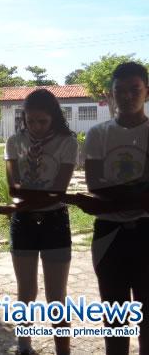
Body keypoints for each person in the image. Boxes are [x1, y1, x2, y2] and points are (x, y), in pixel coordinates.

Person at [81, 62, 149, 355]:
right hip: (109, 236)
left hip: (147, 233)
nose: (127, 96)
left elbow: (102, 194)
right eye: (119, 90)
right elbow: (95, 184)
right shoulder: (98, 134)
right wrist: (140, 191)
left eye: (134, 89)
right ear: (110, 95)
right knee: (114, 315)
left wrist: (110, 198)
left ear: (146, 92)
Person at [4, 89, 77, 355]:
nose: (34, 127)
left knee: (56, 295)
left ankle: (63, 350)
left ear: (54, 118)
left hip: (54, 221)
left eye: (42, 121)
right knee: (26, 291)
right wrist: (28, 198)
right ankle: (24, 347)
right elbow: (13, 189)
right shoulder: (14, 141)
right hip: (23, 222)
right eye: (29, 121)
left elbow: (58, 191)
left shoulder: (67, 142)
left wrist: (25, 199)